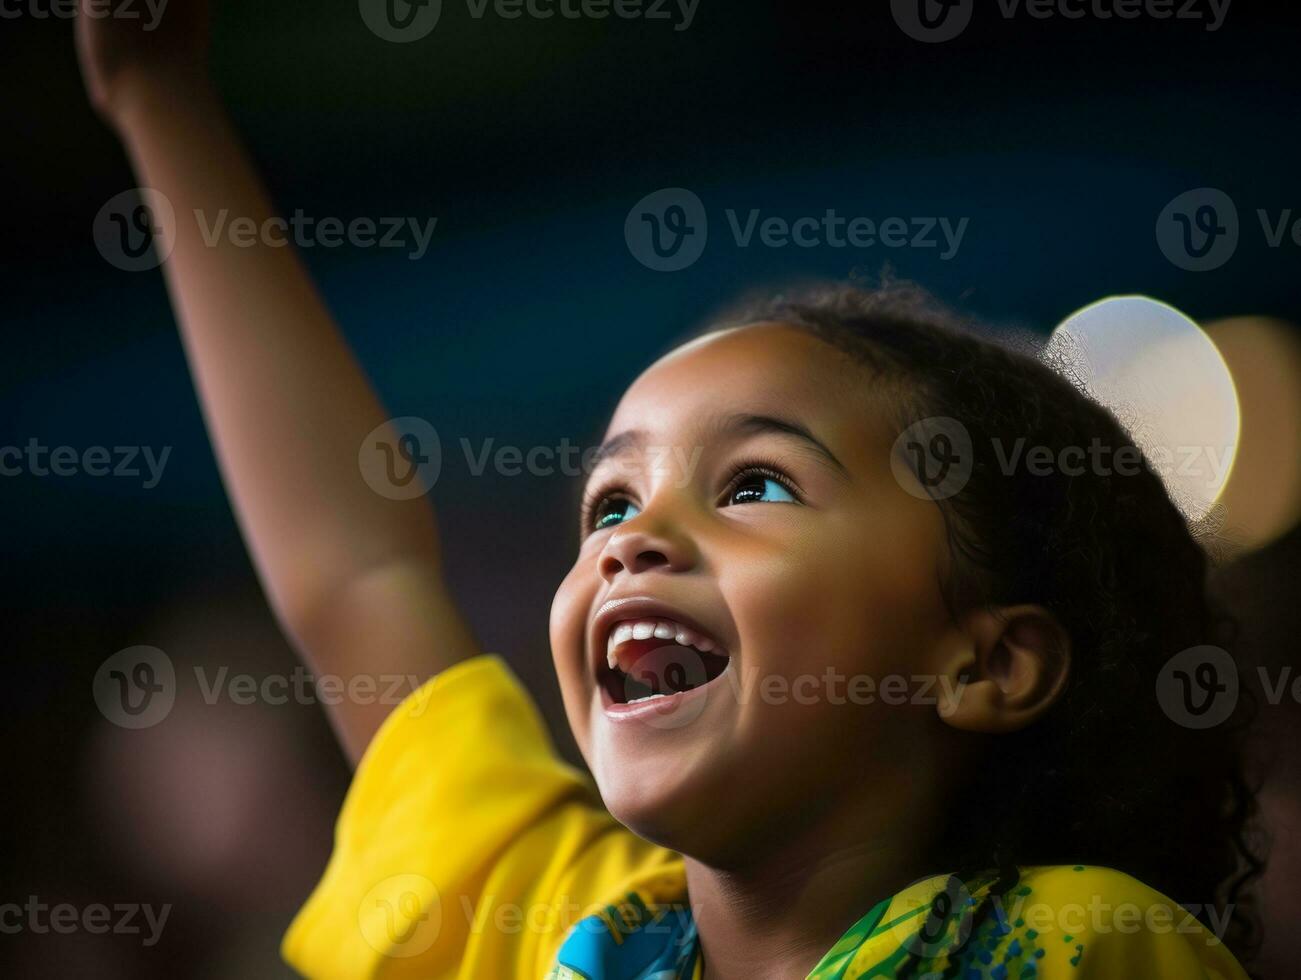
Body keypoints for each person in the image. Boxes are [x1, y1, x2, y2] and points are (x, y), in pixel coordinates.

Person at [74, 3, 1260, 976]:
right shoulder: (570, 931)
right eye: (607, 502)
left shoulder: (1088, 940)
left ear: (982, 662)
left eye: (754, 482)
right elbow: (358, 576)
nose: (632, 540)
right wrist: (156, 96)